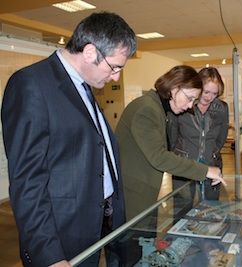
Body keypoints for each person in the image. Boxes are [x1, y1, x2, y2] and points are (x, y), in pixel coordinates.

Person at [1, 12, 136, 267]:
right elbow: (28, 181)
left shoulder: (84, 84)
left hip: (101, 222)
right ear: (89, 52)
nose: (116, 77)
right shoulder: (31, 84)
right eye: (115, 67)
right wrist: (49, 255)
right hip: (64, 237)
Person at [115, 65, 226, 221]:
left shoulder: (157, 108)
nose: (189, 106)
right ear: (174, 88)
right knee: (134, 241)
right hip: (133, 192)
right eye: (189, 98)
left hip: (142, 188)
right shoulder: (147, 109)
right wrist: (205, 170)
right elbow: (160, 157)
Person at [169, 67, 229, 208]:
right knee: (182, 208)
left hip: (211, 163)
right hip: (183, 165)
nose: (209, 97)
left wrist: (212, 152)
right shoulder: (183, 105)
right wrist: (177, 156)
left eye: (214, 93)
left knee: (211, 208)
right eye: (206, 92)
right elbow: (172, 136)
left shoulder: (221, 108)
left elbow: (221, 137)